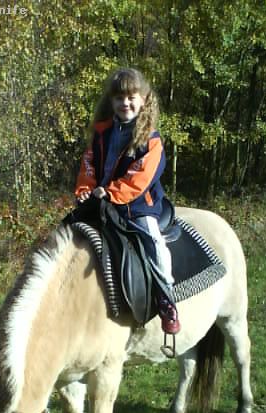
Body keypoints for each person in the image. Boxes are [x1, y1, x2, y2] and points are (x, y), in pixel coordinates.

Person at [74, 67, 180, 333]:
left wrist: (111, 192)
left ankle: (167, 298)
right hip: (101, 202)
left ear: (143, 100)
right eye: (119, 98)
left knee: (153, 242)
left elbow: (140, 176)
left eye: (131, 97)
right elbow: (88, 163)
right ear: (111, 101)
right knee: (67, 231)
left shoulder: (151, 139)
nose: (125, 103)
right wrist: (86, 188)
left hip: (137, 206)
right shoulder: (102, 133)